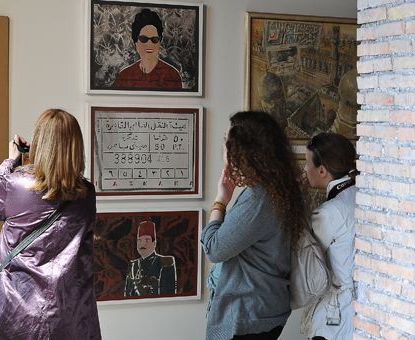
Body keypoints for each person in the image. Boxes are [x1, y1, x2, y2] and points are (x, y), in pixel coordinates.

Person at [0, 109, 101, 340]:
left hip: (15, 309)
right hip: (69, 311)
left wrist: (11, 160)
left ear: (40, 144)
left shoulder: (17, 185)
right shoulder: (87, 193)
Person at [201, 111, 307, 340]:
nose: (224, 146)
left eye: (226, 140)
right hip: (266, 310)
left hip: (248, 315)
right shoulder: (282, 188)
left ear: (244, 150)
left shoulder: (259, 199)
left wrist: (221, 200)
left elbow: (214, 248)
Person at [301, 132, 357, 340]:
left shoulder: (329, 212)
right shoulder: (361, 194)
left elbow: (304, 259)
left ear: (322, 170)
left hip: (337, 318)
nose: (305, 169)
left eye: (307, 163)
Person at [112, 8, 182, 90]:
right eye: (144, 39)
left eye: (154, 39)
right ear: (136, 43)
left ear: (159, 42)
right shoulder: (124, 76)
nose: (149, 44)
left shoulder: (172, 76)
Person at [124, 220, 177, 296]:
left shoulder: (166, 262)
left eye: (147, 240)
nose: (142, 244)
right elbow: (127, 295)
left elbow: (168, 294)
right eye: (139, 240)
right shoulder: (133, 265)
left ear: (154, 243)